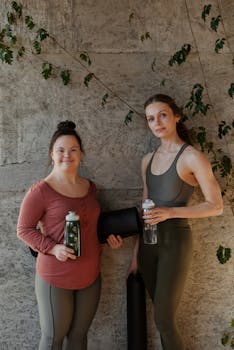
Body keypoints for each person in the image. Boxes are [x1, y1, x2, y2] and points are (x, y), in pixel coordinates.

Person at [128, 94, 223, 350]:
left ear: (176, 116)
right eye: (150, 118)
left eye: (162, 115)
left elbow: (216, 206)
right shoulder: (147, 160)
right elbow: (144, 211)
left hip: (175, 244)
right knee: (162, 320)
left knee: (164, 319)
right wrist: (136, 254)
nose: (156, 122)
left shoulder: (192, 157)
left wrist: (170, 213)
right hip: (149, 246)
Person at [17, 120, 122, 350]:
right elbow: (23, 230)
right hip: (56, 276)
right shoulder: (41, 191)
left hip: (90, 275)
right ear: (51, 154)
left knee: (78, 338)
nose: (67, 155)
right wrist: (54, 248)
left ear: (81, 153)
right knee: (53, 337)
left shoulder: (90, 187)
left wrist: (109, 238)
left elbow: (91, 226)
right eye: (61, 150)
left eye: (73, 149)